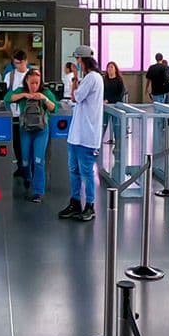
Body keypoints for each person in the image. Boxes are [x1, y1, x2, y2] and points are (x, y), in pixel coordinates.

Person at [59, 47, 104, 222]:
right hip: (77, 134)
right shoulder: (91, 78)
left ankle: (90, 205)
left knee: (86, 172)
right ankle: (75, 202)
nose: (76, 63)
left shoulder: (92, 78)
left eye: (77, 59)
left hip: (87, 136)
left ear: (82, 60)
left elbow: (76, 97)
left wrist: (75, 80)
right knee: (74, 170)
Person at [5, 68, 58, 203]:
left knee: (39, 160)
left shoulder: (45, 92)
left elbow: (54, 108)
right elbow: (7, 98)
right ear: (27, 81)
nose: (34, 86)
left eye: (36, 83)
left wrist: (44, 98)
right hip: (25, 130)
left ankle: (38, 192)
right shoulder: (21, 91)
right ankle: (28, 177)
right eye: (32, 83)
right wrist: (24, 95)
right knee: (25, 159)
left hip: (41, 131)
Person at [2, 50, 34, 184]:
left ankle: (29, 171)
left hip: (30, 115)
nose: (17, 66)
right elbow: (6, 94)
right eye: (15, 63)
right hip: (15, 115)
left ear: (25, 61)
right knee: (16, 144)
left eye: (19, 63)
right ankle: (21, 166)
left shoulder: (32, 75)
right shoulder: (10, 76)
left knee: (28, 144)